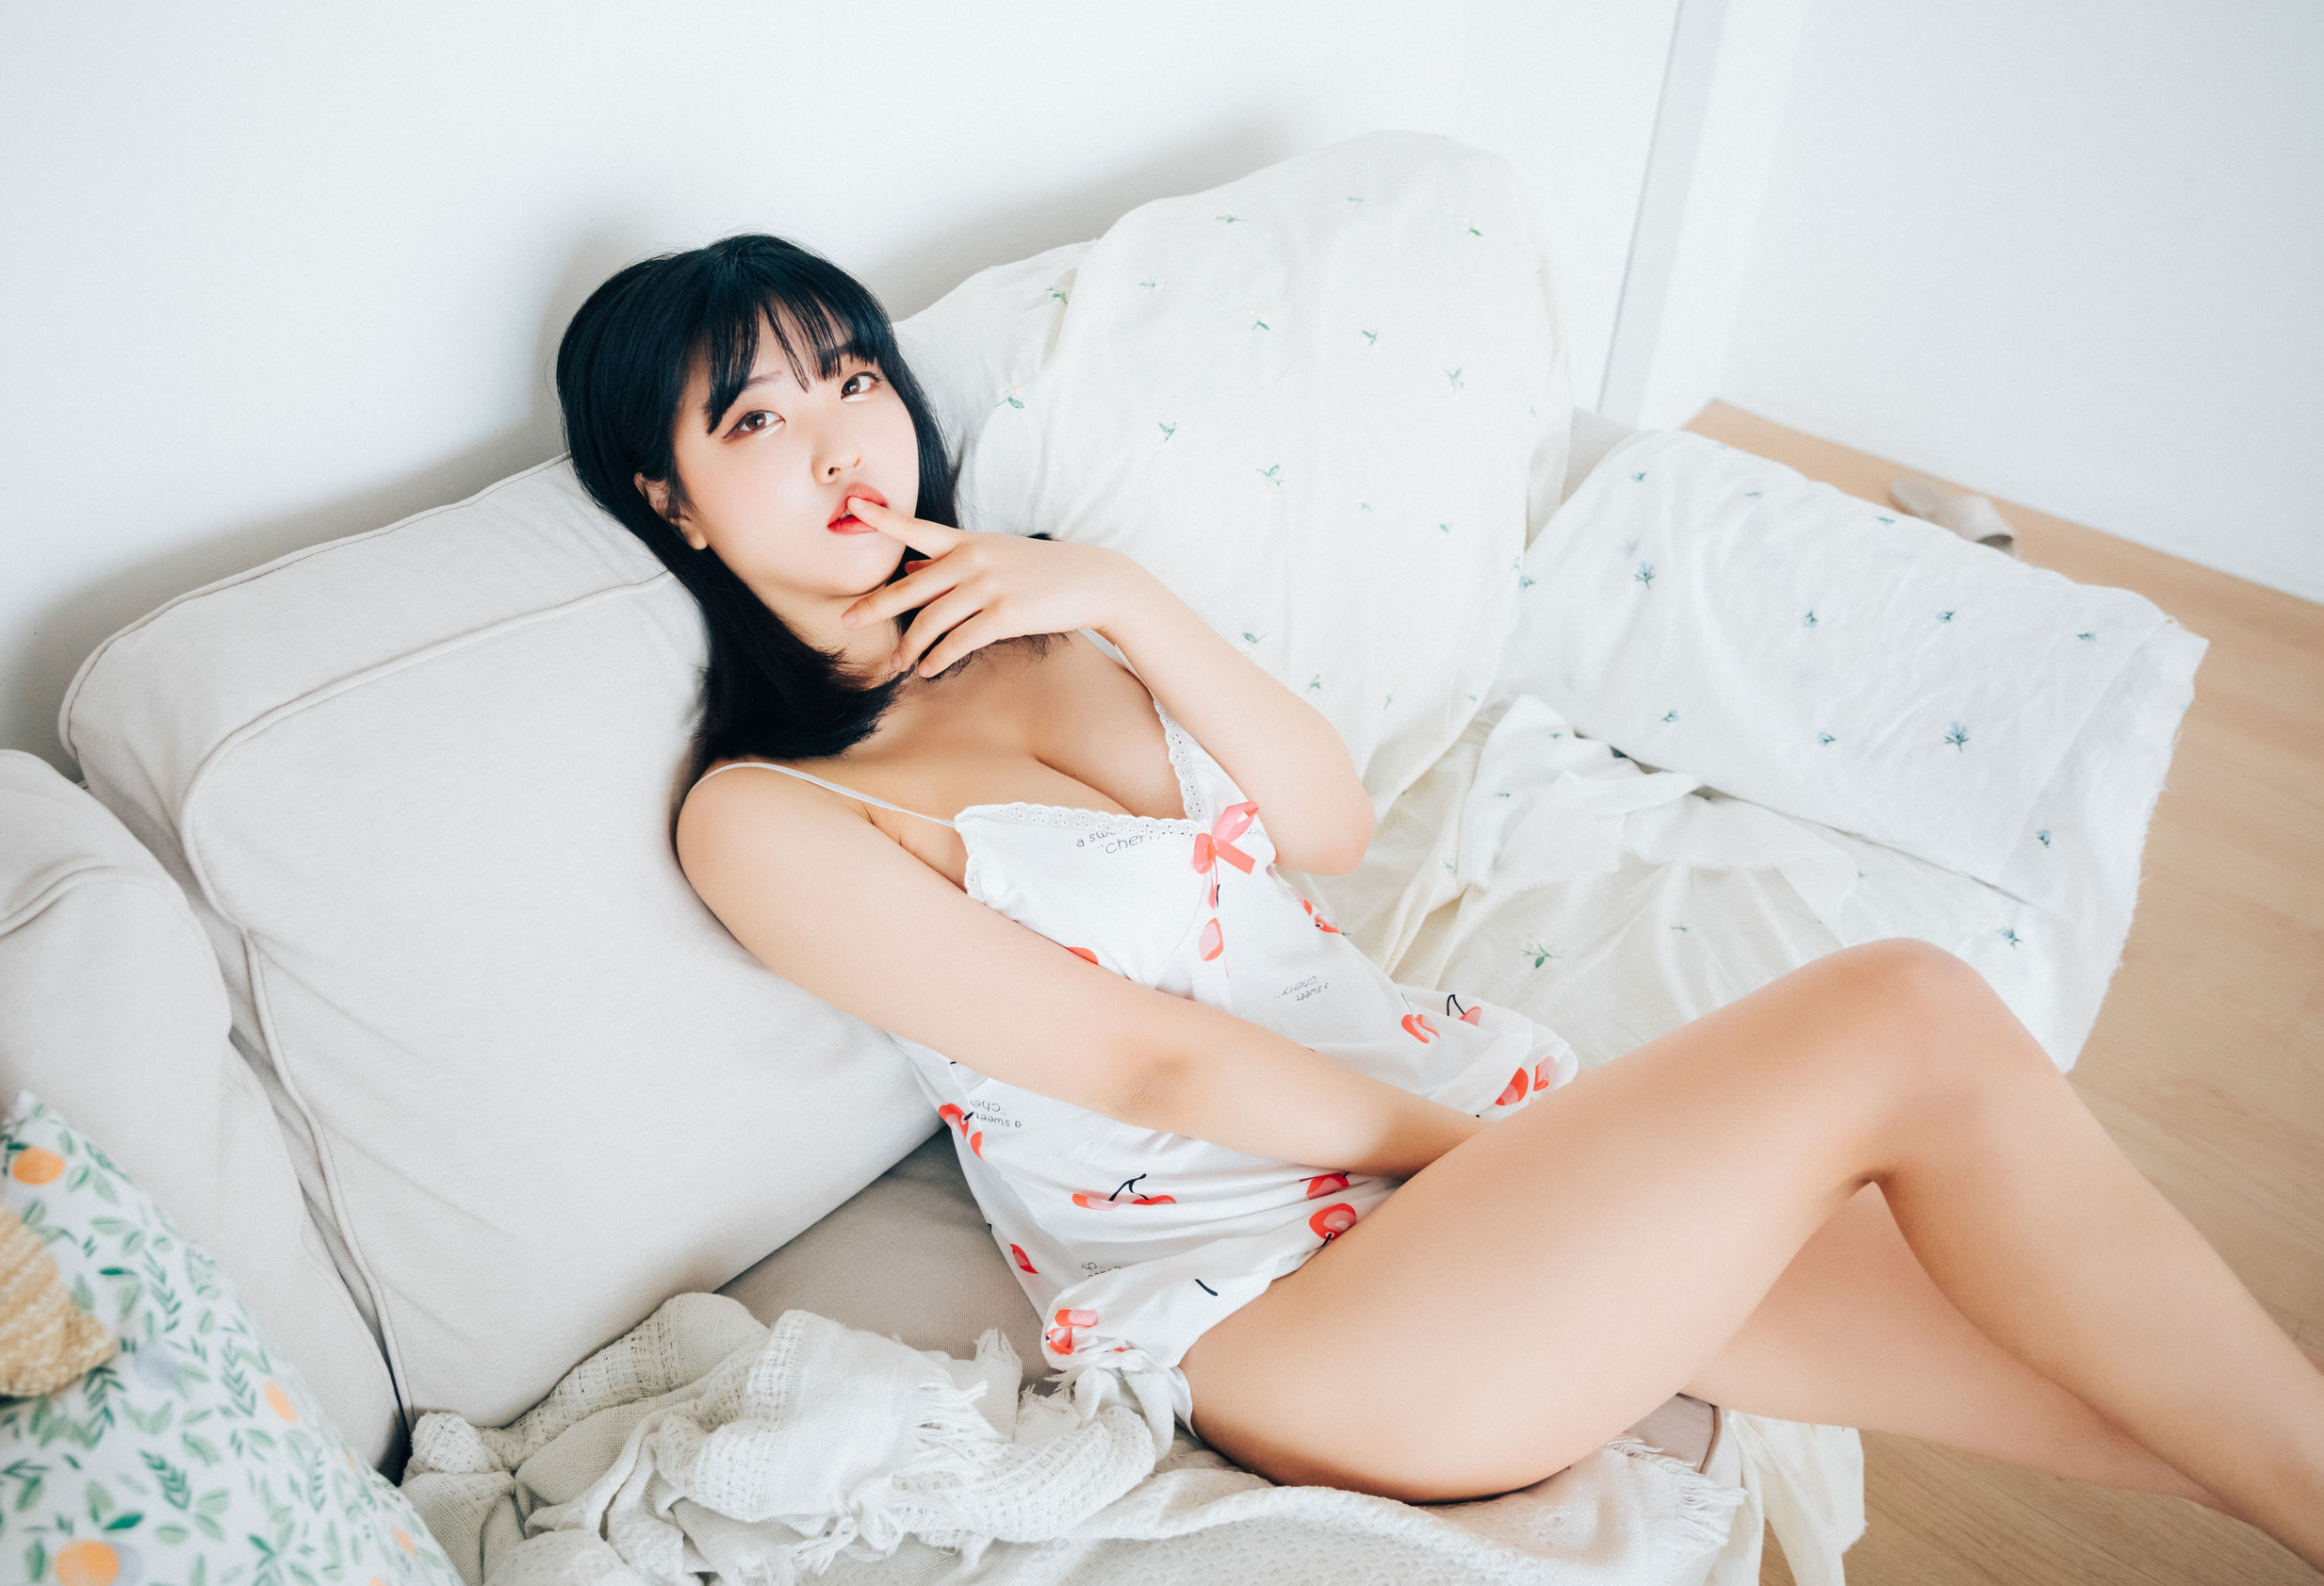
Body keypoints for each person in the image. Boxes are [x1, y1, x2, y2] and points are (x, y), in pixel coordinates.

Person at [554, 233, 2324, 1569]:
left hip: (1451, 1172)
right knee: (1905, 1008)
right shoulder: (768, 814)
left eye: (853, 379)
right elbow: (1157, 1064)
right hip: (1287, 1314)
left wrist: (1125, 596)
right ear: (671, 501)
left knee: (2140, 1404)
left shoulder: (1053, 619)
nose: (840, 442)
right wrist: (1487, 1159)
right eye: (757, 418)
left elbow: (1325, 824)